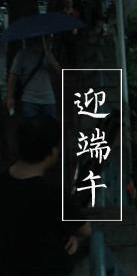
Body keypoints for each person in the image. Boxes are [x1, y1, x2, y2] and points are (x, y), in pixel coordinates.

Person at [0, 117, 92, 274]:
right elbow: (85, 230)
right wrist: (72, 235)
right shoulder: (52, 192)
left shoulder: (3, 181)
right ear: (52, 151)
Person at [6, 36, 61, 119]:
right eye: (36, 41)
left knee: (50, 128)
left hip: (48, 99)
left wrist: (51, 61)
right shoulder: (22, 55)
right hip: (29, 99)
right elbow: (13, 76)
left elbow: (59, 73)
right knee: (31, 128)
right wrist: (10, 97)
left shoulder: (47, 54)